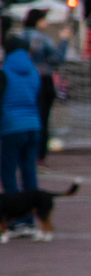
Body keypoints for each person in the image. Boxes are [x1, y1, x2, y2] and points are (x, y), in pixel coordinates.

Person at [23, 9, 70, 159]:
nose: (47, 22)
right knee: (43, 119)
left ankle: (26, 153)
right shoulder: (43, 39)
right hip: (43, 80)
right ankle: (40, 155)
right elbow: (57, 59)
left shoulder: (19, 37)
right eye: (44, 19)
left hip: (24, 82)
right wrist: (64, 40)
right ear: (38, 21)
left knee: (25, 118)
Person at [2, 33, 40, 197]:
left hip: (12, 125)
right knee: (29, 169)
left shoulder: (4, 71)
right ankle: (30, 208)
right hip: (34, 124)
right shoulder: (34, 71)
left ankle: (13, 208)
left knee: (8, 171)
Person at [0, 174, 80, 242]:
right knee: (42, 217)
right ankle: (43, 232)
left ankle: (49, 232)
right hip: (31, 199)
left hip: (39, 200)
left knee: (43, 217)